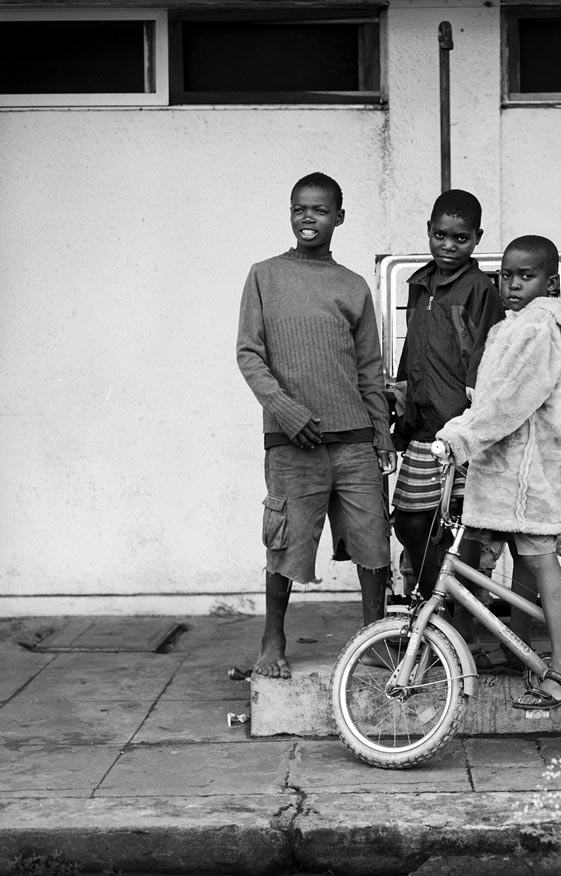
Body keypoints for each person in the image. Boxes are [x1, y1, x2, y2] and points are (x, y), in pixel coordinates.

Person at [237, 171, 396, 679]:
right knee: (286, 539)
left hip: (354, 442)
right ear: (290, 214)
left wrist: (382, 435)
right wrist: (287, 411)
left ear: (339, 218)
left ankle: (373, 637)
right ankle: (273, 638)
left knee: (373, 541)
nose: (310, 217)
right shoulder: (264, 275)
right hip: (291, 443)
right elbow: (249, 355)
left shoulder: (352, 286)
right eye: (300, 208)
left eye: (321, 210)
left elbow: (370, 368)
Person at [436, 234, 561, 708]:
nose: (511, 284)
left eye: (524, 276)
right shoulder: (511, 326)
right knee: (509, 554)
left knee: (540, 557)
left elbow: (511, 402)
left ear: (549, 282)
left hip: (527, 474)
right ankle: (520, 651)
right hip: (505, 471)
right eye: (506, 275)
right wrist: (465, 428)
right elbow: (489, 400)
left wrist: (460, 438)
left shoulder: (538, 328)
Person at [391, 189, 504, 663]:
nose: (449, 245)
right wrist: (398, 398)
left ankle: (458, 625)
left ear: (476, 239)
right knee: (412, 520)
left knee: (461, 529)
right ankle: (430, 607)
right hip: (421, 430)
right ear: (429, 232)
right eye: (440, 235)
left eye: (461, 237)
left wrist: (475, 421)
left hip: (460, 433)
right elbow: (412, 348)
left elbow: (487, 356)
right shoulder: (419, 285)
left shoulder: (481, 290)